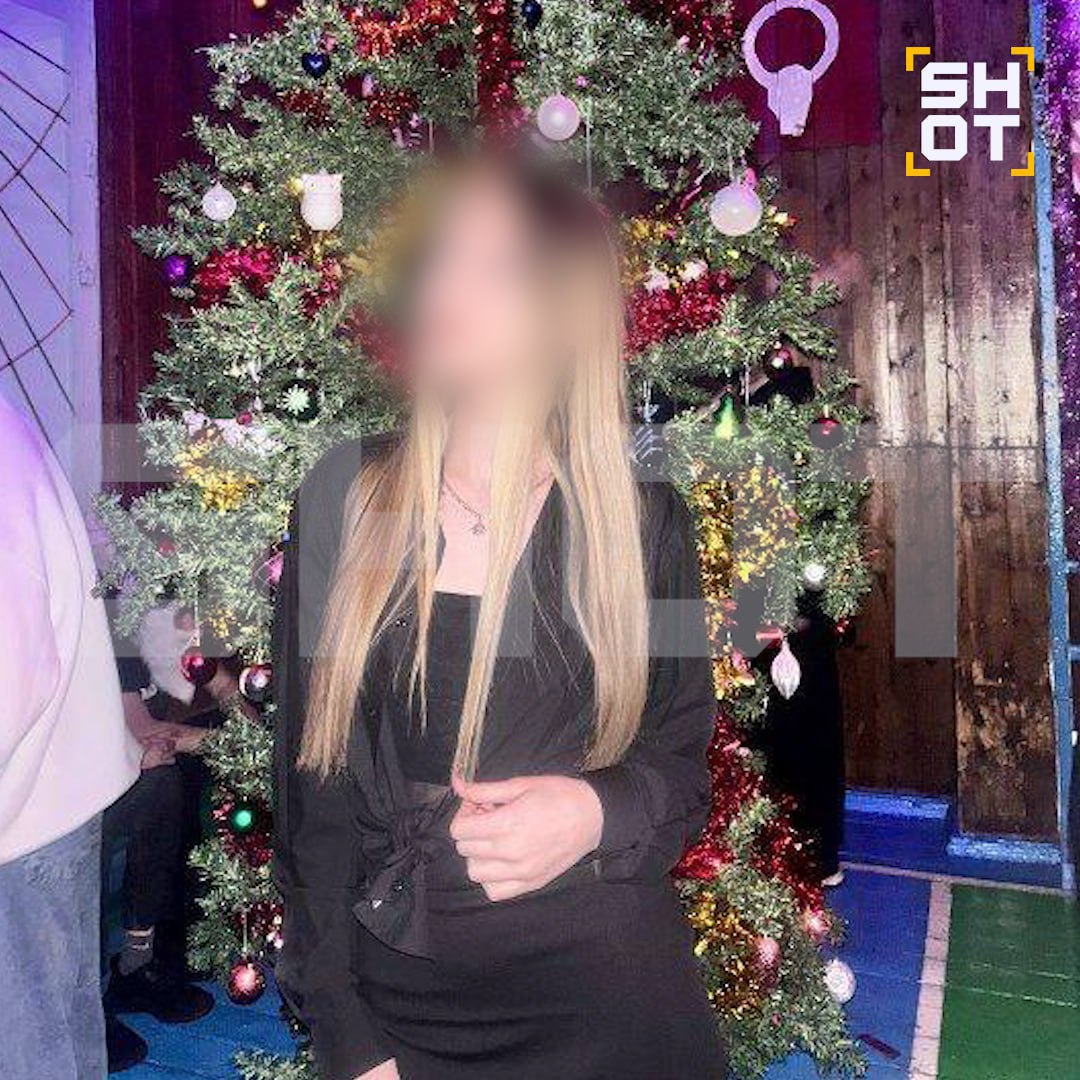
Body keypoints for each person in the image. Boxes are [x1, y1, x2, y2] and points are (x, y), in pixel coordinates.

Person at [272, 156, 724, 1080]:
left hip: (608, 999)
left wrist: (594, 809)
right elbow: (311, 804)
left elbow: (681, 768)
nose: (446, 284)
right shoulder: (344, 499)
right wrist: (346, 1037)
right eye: (444, 254)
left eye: (497, 264)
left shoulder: (645, 527)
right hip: (398, 1008)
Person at [0, 395, 142, 1080]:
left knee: (36, 1044)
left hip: (23, 815)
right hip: (47, 796)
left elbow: (12, 667)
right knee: (58, 1028)